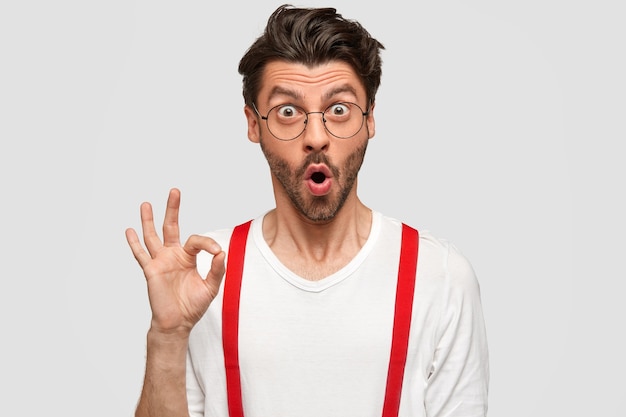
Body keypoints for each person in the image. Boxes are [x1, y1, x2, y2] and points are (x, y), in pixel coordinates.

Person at [125, 4, 489, 417]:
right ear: (253, 124)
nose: (316, 137)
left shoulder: (439, 276)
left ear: (370, 119)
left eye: (338, 109)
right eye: (287, 112)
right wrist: (168, 335)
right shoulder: (206, 275)